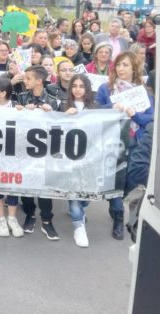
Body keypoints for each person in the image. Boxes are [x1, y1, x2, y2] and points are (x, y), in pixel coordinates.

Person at [95, 51, 154, 240]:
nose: (121, 69)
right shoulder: (106, 89)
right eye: (118, 65)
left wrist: (133, 114)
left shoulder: (144, 91)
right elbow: (94, 111)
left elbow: (150, 118)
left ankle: (122, 206)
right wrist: (110, 108)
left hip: (136, 141)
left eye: (125, 65)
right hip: (112, 141)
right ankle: (119, 218)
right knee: (115, 180)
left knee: (133, 181)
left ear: (134, 68)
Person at [15, 66, 59, 240]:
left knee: (44, 186)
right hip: (25, 149)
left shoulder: (53, 100)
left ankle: (47, 220)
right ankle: (30, 215)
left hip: (46, 151)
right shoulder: (21, 97)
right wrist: (20, 110)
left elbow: (62, 126)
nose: (25, 81)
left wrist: (52, 112)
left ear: (39, 81)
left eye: (28, 78)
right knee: (27, 184)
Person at [60, 73, 100, 248]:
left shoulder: (95, 107)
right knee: (74, 193)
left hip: (90, 158)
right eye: (74, 86)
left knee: (85, 195)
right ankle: (79, 227)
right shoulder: (63, 105)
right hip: (69, 158)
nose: (77, 89)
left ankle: (80, 210)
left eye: (81, 86)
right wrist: (64, 116)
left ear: (87, 89)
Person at [0, 77, 24, 238]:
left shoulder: (17, 107)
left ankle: (12, 218)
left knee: (12, 186)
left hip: (13, 154)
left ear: (3, 93)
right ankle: (1, 219)